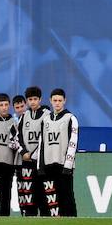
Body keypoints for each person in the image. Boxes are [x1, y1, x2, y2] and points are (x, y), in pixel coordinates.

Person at [37, 88, 79, 217]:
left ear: (64, 101)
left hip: (63, 164)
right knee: (49, 197)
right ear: (50, 101)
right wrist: (40, 166)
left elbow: (73, 143)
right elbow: (41, 144)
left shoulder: (71, 118)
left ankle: (72, 220)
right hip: (49, 164)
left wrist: (68, 165)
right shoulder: (45, 120)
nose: (57, 103)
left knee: (66, 195)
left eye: (60, 100)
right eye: (55, 100)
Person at [17, 86, 51, 216]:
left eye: (35, 99)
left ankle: (45, 215)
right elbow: (18, 136)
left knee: (42, 190)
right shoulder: (24, 116)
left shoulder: (47, 115)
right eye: (30, 99)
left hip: (41, 161)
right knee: (29, 191)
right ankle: (30, 217)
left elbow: (45, 138)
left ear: (40, 99)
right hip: (27, 161)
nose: (32, 102)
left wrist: (33, 154)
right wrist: (23, 152)